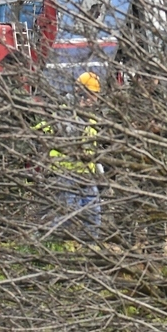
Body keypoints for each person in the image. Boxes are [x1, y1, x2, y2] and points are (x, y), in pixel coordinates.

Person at [33, 73, 103, 240]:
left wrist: (97, 166)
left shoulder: (90, 116)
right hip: (66, 173)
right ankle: (41, 239)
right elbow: (42, 131)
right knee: (69, 215)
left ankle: (92, 251)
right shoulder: (64, 112)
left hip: (86, 173)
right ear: (82, 93)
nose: (96, 99)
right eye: (94, 94)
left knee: (94, 215)